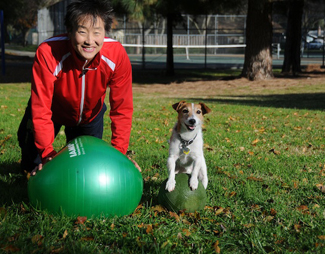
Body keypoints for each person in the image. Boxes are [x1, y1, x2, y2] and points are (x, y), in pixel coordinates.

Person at [17, 0, 140, 176]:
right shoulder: (48, 52)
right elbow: (41, 107)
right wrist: (46, 154)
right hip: (53, 111)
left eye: (97, 33)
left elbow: (122, 109)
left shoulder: (117, 55)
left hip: (90, 116)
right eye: (82, 32)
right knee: (32, 168)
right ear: (69, 31)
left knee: (85, 170)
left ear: (105, 32)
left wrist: (118, 154)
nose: (90, 41)